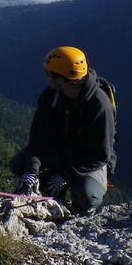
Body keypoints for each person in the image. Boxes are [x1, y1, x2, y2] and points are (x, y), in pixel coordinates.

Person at [11, 46, 115, 214]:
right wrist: (32, 171)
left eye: (51, 74)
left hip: (90, 161)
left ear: (63, 79)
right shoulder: (51, 96)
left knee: (87, 197)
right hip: (61, 151)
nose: (48, 78)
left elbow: (101, 155)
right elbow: (38, 138)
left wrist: (66, 176)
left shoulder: (99, 105)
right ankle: (48, 186)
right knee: (18, 165)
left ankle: (75, 202)